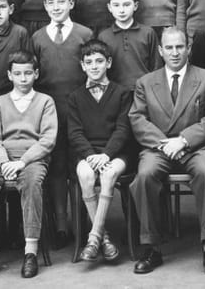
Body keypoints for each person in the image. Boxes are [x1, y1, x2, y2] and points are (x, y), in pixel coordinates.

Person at [129, 27, 205, 275]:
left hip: (196, 146)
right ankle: (151, 247)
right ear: (160, 51)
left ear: (188, 49)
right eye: (169, 48)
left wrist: (183, 140)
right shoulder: (145, 82)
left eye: (180, 47)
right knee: (144, 176)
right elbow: (137, 119)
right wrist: (165, 143)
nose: (174, 52)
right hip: (159, 147)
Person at [0, 50, 57, 279]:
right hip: (2, 157)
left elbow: (47, 140)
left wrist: (22, 162)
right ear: (9, 75)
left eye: (28, 73)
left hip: (32, 158)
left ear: (36, 74)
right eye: (17, 74)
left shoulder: (45, 102)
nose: (23, 78)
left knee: (32, 183)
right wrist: (4, 161)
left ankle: (30, 252)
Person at [31, 0, 93, 247]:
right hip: (49, 111)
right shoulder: (37, 38)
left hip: (79, 111)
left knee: (78, 165)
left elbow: (93, 71)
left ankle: (82, 223)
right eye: (51, 2)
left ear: (71, 4)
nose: (56, 7)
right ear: (45, 6)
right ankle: (60, 225)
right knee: (56, 167)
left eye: (61, 1)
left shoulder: (85, 34)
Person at [68, 40, 134, 262]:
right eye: (89, 62)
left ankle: (94, 237)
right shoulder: (75, 97)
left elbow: (123, 129)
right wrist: (90, 155)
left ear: (109, 62)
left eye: (99, 61)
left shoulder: (122, 93)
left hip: (116, 152)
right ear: (82, 65)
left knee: (108, 174)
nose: (94, 66)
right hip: (87, 153)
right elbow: (75, 133)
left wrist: (106, 154)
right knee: (86, 174)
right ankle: (103, 238)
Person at [98, 0, 161, 91]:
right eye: (116, 5)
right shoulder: (104, 37)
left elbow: (156, 67)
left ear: (135, 6)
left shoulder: (148, 33)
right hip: (114, 92)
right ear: (109, 7)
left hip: (143, 91)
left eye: (126, 5)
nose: (121, 10)